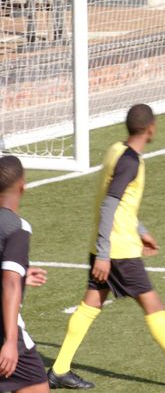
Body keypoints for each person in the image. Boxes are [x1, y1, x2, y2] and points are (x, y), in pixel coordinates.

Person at [49, 105, 165, 390]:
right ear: (151, 128)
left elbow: (120, 204)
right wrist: (105, 253)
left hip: (109, 242)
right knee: (152, 304)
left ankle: (59, 370)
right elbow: (110, 203)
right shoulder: (130, 162)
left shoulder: (115, 150)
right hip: (118, 250)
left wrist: (141, 230)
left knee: (91, 303)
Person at [0, 156, 49, 393]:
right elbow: (10, 283)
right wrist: (10, 342)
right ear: (22, 185)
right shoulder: (17, 228)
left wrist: (22, 274)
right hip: (5, 334)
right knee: (38, 386)